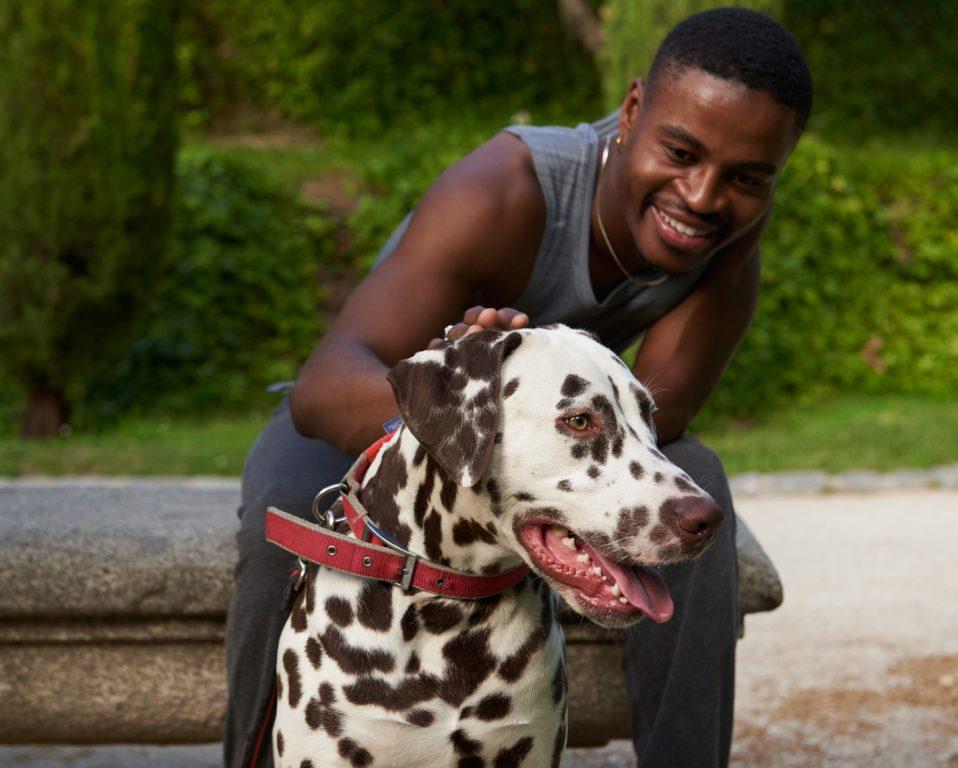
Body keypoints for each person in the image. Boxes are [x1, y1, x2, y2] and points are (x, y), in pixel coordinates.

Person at [224, 7, 812, 767]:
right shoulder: (503, 190)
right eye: (681, 151)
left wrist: (547, 434)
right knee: (282, 523)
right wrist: (473, 402)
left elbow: (658, 412)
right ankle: (249, 753)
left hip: (560, 433)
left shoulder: (732, 241)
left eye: (746, 178)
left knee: (700, 484)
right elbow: (325, 382)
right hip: (388, 412)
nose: (702, 196)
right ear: (632, 111)